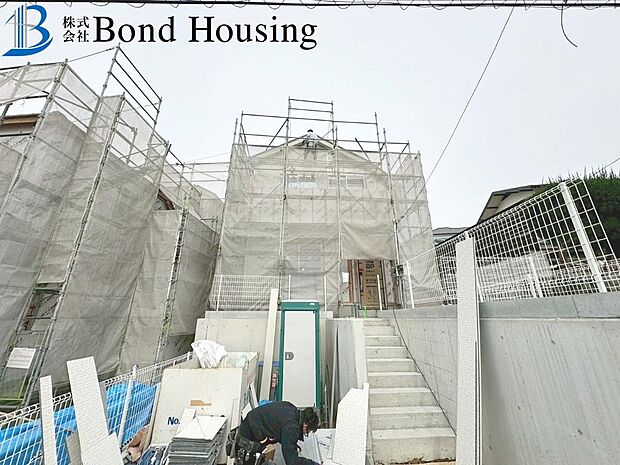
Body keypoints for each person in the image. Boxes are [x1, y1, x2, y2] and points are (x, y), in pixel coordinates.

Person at [230, 401, 321, 465]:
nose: (305, 433)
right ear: (305, 425)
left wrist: (292, 445)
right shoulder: (292, 427)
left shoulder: (291, 409)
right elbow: (292, 462)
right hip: (248, 438)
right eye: (307, 431)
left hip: (249, 425)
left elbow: (279, 428)